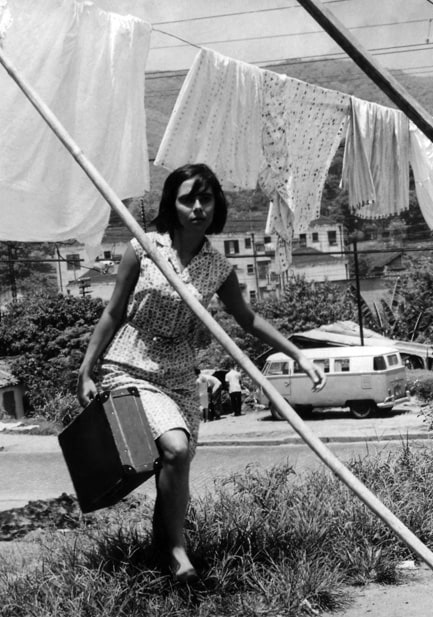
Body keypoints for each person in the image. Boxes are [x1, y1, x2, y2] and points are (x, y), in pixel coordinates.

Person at [76, 163, 326, 584]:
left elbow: (248, 319)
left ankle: (163, 543)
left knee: (177, 460)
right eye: (187, 198)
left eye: (205, 198)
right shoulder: (143, 248)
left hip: (179, 375)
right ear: (171, 204)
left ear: (217, 204)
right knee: (173, 448)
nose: (197, 207)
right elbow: (114, 311)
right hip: (130, 366)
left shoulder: (217, 267)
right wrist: (86, 370)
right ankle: (177, 553)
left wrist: (298, 354)